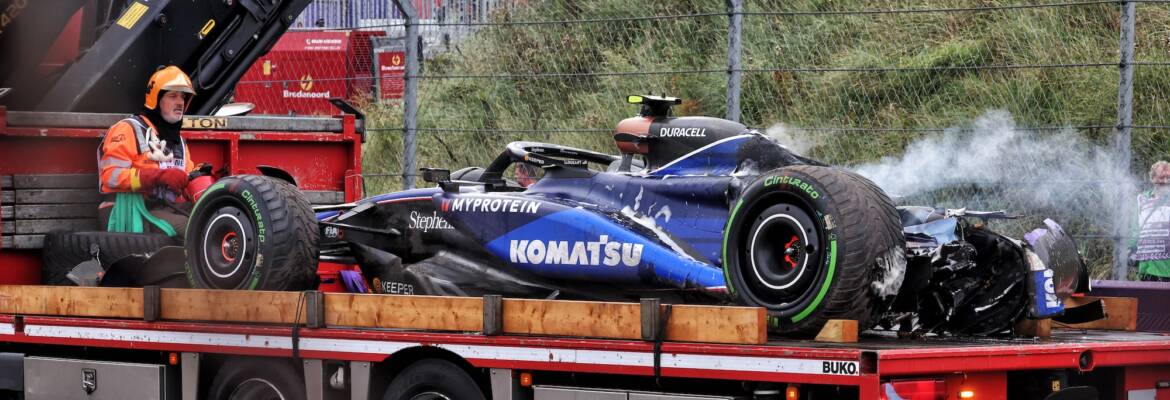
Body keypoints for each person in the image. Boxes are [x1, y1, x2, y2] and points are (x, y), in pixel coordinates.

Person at [96, 66, 196, 240]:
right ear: (155, 99)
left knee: (214, 212)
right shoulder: (127, 129)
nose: (180, 102)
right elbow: (110, 177)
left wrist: (201, 181)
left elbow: (187, 176)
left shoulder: (178, 141)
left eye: (183, 97)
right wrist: (155, 176)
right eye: (172, 96)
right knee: (194, 227)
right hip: (127, 209)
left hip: (163, 207)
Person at [1130, 160, 1170, 282]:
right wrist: (1130, 249)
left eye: (1169, 177)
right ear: (1152, 179)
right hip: (1147, 266)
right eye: (1162, 177)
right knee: (1148, 299)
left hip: (1167, 265)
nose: (1166, 181)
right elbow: (1135, 228)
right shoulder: (1141, 199)